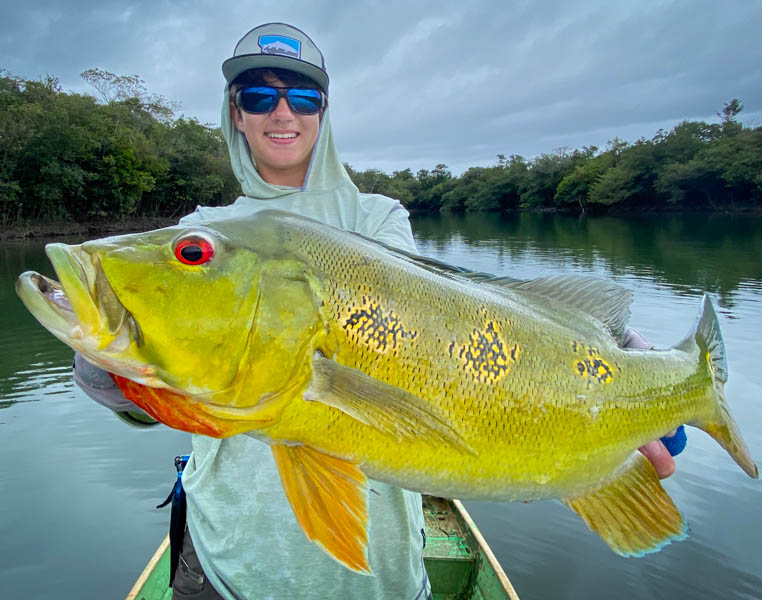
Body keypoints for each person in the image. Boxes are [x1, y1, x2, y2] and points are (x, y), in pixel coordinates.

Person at [74, 22, 684, 599]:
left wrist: (618, 351)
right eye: (258, 95)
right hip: (226, 561)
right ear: (236, 114)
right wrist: (106, 363)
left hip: (379, 574)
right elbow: (148, 391)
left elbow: (442, 307)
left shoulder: (378, 218)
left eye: (302, 96)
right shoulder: (202, 231)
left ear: (323, 111)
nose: (280, 112)